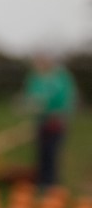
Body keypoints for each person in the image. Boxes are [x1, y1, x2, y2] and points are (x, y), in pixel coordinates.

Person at [22, 53, 79, 189]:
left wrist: (58, 115)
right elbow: (31, 95)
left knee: (51, 152)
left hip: (56, 121)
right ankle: (42, 182)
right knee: (41, 152)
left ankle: (51, 183)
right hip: (41, 119)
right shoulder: (35, 77)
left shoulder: (61, 78)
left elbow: (67, 98)